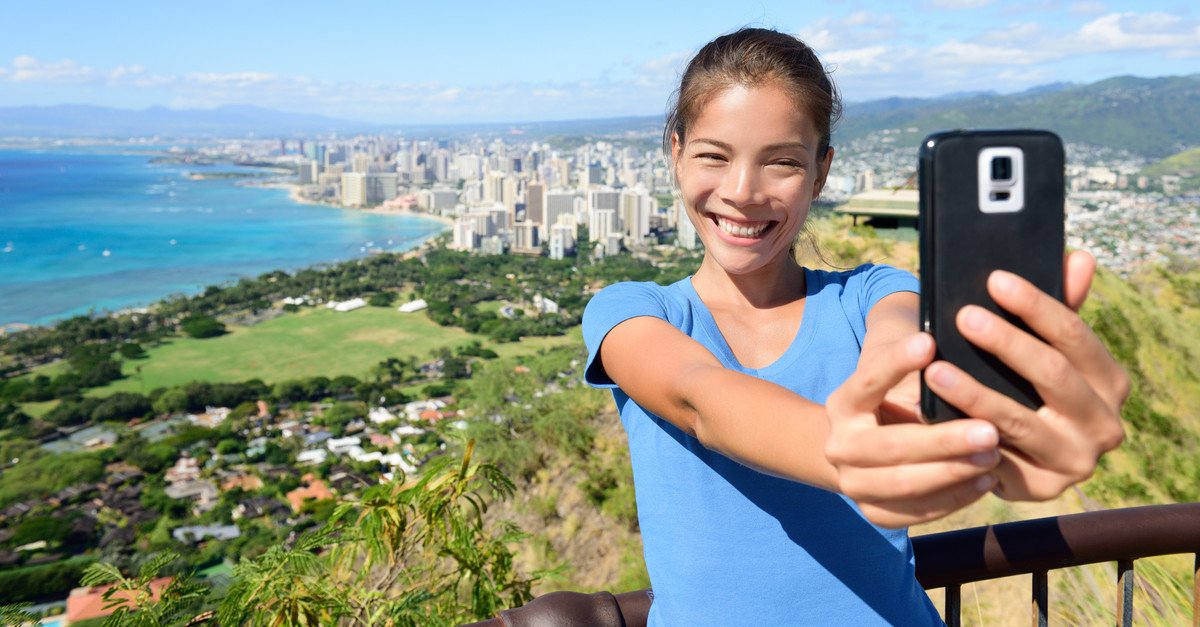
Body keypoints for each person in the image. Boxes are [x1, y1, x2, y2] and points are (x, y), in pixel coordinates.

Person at [581, 27, 1128, 625]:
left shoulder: (874, 294)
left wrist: (971, 433)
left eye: (782, 162)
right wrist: (848, 453)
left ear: (821, 172)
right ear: (675, 152)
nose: (742, 192)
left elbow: (897, 353)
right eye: (714, 155)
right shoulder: (632, 313)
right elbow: (700, 400)